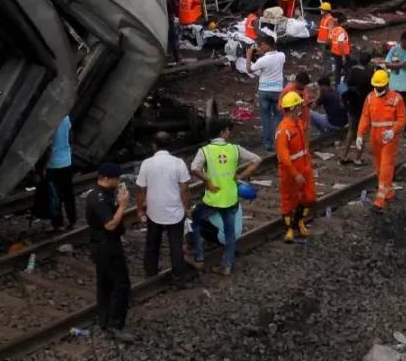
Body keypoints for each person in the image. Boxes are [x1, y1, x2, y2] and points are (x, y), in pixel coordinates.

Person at [189, 121, 261, 275]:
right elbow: (256, 159)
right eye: (228, 130)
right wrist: (241, 175)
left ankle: (199, 258)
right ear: (223, 132)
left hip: (213, 198)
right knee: (230, 233)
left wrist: (206, 180)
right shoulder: (235, 149)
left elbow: (193, 168)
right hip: (230, 198)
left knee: (195, 222)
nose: (229, 133)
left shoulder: (205, 151)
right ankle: (226, 266)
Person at [135, 131, 194, 284]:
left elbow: (141, 190)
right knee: (175, 244)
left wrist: (140, 210)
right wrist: (187, 208)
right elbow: (184, 189)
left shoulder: (146, 163)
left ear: (154, 145)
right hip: (175, 211)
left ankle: (151, 271)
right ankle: (179, 277)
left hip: (154, 211)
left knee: (152, 242)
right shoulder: (178, 163)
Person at [85, 163, 134, 340]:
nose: (118, 181)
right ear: (106, 178)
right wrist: (123, 206)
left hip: (101, 245)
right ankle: (115, 326)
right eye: (116, 179)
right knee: (121, 284)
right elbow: (110, 224)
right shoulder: (99, 199)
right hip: (107, 246)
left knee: (105, 284)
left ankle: (104, 320)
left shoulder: (101, 194)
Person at [357, 69, 406, 214]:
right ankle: (388, 190)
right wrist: (360, 134)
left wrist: (393, 130)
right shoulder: (370, 98)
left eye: (380, 86)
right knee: (378, 166)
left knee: (386, 165)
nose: (378, 89)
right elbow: (365, 117)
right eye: (376, 86)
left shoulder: (396, 98)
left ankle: (380, 199)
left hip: (389, 138)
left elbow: (402, 118)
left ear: (386, 84)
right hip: (375, 136)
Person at [276, 92, 317, 243]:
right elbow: (285, 158)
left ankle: (299, 222)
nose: (300, 107)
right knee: (288, 201)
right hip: (290, 172)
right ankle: (289, 230)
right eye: (298, 106)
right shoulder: (283, 130)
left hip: (304, 167)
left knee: (310, 197)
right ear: (292, 108)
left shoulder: (297, 123)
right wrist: (294, 174)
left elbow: (303, 146)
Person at [248, 39, 286, 153]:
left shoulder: (262, 60)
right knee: (278, 117)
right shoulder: (282, 56)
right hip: (277, 91)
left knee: (266, 118)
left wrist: (249, 56)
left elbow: (249, 69)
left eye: (262, 45)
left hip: (264, 91)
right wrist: (265, 52)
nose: (260, 47)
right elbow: (275, 58)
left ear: (268, 45)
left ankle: (267, 144)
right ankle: (276, 142)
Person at [42, 114, 75, 231]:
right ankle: (72, 221)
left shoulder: (50, 121)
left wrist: (43, 166)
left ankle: (58, 224)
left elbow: (48, 146)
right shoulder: (66, 118)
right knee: (68, 194)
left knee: (55, 195)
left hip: (53, 164)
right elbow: (70, 138)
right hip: (66, 161)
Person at [329, 13, 352, 87]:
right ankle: (345, 85)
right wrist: (343, 56)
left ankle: (337, 85)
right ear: (343, 22)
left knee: (337, 71)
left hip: (335, 53)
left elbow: (331, 40)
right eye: (346, 21)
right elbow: (340, 44)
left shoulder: (334, 30)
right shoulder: (341, 31)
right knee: (346, 70)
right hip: (343, 54)